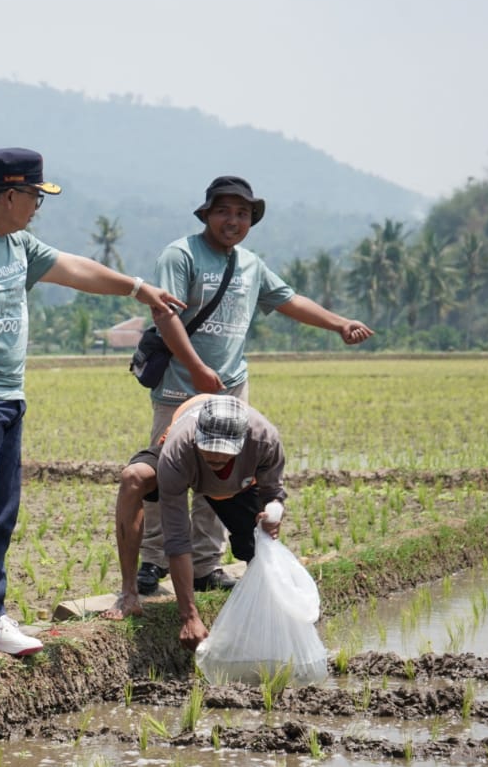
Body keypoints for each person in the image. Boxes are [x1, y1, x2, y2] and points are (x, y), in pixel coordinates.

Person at [0, 148, 183, 663]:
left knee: (1, 511)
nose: (37, 206)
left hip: (8, 398)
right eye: (34, 196)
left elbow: (74, 268)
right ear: (10, 194)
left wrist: (138, 289)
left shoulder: (17, 243)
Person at [135, 176, 372, 598]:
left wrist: (340, 324)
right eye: (224, 210)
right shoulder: (181, 254)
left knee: (220, 476)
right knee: (161, 475)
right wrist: (198, 368)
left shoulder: (250, 264)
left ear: (251, 220)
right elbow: (164, 315)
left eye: (242, 213)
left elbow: (287, 300)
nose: (233, 220)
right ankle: (152, 562)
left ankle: (206, 565)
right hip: (179, 389)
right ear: (206, 213)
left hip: (231, 387)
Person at [106, 394, 288, 650]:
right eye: (208, 450)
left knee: (256, 548)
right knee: (133, 477)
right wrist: (189, 616)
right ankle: (128, 595)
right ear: (198, 436)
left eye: (222, 454)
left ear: (241, 443)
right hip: (182, 462)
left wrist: (273, 512)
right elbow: (177, 538)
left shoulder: (263, 440)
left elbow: (273, 493)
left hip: (237, 483)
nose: (213, 458)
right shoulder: (178, 449)